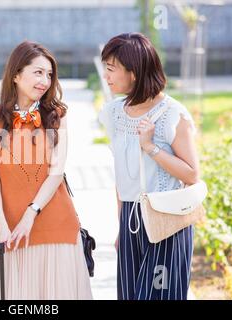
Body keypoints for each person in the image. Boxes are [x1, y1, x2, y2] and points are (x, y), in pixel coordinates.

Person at [0, 41, 93, 300]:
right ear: (16, 75)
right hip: (13, 232)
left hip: (58, 225)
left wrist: (30, 215)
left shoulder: (57, 116)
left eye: (49, 75)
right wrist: (0, 224)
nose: (45, 81)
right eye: (38, 72)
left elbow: (57, 171)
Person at [98, 33, 200, 300]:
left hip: (166, 218)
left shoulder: (171, 114)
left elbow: (192, 174)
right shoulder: (114, 113)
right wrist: (120, 224)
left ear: (133, 72)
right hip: (131, 218)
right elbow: (122, 176)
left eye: (111, 68)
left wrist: (151, 147)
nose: (106, 75)